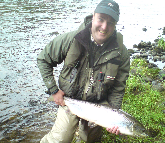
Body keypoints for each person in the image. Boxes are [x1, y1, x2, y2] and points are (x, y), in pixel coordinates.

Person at [37, 0, 130, 142]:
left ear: (115, 25)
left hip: (99, 105)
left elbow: (118, 88)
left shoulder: (121, 53)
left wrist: (114, 116)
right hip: (70, 100)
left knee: (90, 140)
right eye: (101, 19)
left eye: (110, 22)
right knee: (60, 139)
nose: (104, 27)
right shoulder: (71, 39)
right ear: (93, 16)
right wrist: (54, 90)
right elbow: (44, 59)